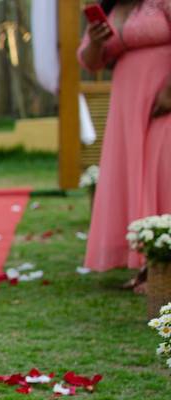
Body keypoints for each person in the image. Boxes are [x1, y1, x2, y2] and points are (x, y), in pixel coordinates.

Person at [79, 0, 171, 277]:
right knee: (134, 173)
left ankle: (164, 262)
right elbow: (90, 61)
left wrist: (170, 90)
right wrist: (96, 42)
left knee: (163, 170)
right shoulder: (111, 9)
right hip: (127, 104)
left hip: (163, 97)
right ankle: (147, 264)